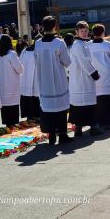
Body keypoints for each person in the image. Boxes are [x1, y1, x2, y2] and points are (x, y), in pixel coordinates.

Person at [35, 16, 72, 145]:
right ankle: (62, 135)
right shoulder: (59, 43)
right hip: (58, 79)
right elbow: (67, 62)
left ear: (43, 26)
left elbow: (36, 60)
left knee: (48, 109)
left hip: (44, 81)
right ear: (54, 26)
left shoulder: (38, 43)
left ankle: (51, 136)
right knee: (61, 109)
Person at [68, 21, 101, 137]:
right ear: (76, 32)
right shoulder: (78, 45)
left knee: (81, 104)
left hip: (82, 78)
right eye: (82, 31)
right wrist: (94, 73)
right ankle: (93, 127)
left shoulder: (83, 44)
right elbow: (84, 61)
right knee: (86, 104)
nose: (85, 33)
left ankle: (79, 128)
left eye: (86, 31)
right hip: (81, 78)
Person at [89, 24, 110, 130]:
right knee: (108, 97)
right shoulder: (108, 45)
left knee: (97, 98)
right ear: (103, 33)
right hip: (107, 73)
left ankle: (97, 121)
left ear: (93, 33)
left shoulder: (88, 45)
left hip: (94, 74)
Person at [0, 34, 24, 128]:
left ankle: (7, 124)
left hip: (1, 85)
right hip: (12, 83)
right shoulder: (11, 54)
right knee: (13, 104)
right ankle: (13, 124)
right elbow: (19, 69)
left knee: (5, 105)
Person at [20, 34, 42, 124]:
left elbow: (20, 62)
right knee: (36, 97)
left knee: (28, 97)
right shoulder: (39, 51)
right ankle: (37, 116)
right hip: (36, 78)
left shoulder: (25, 50)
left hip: (25, 78)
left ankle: (29, 116)